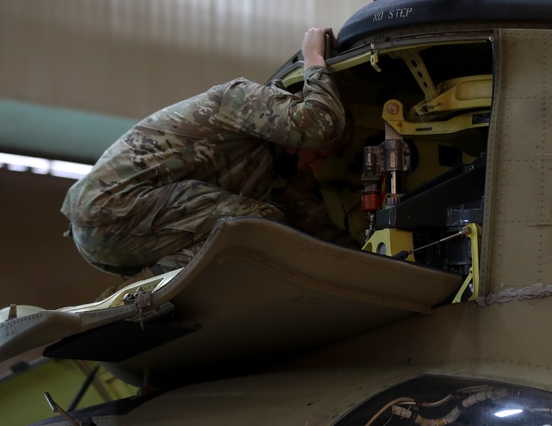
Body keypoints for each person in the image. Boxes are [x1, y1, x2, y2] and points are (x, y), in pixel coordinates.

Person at [62, 27, 347, 279]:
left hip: (119, 234)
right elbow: (322, 126)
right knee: (258, 227)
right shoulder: (242, 98)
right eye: (319, 155)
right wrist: (314, 58)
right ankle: (150, 291)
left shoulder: (269, 171)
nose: (316, 167)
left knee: (267, 231)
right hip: (111, 210)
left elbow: (312, 230)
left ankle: (146, 290)